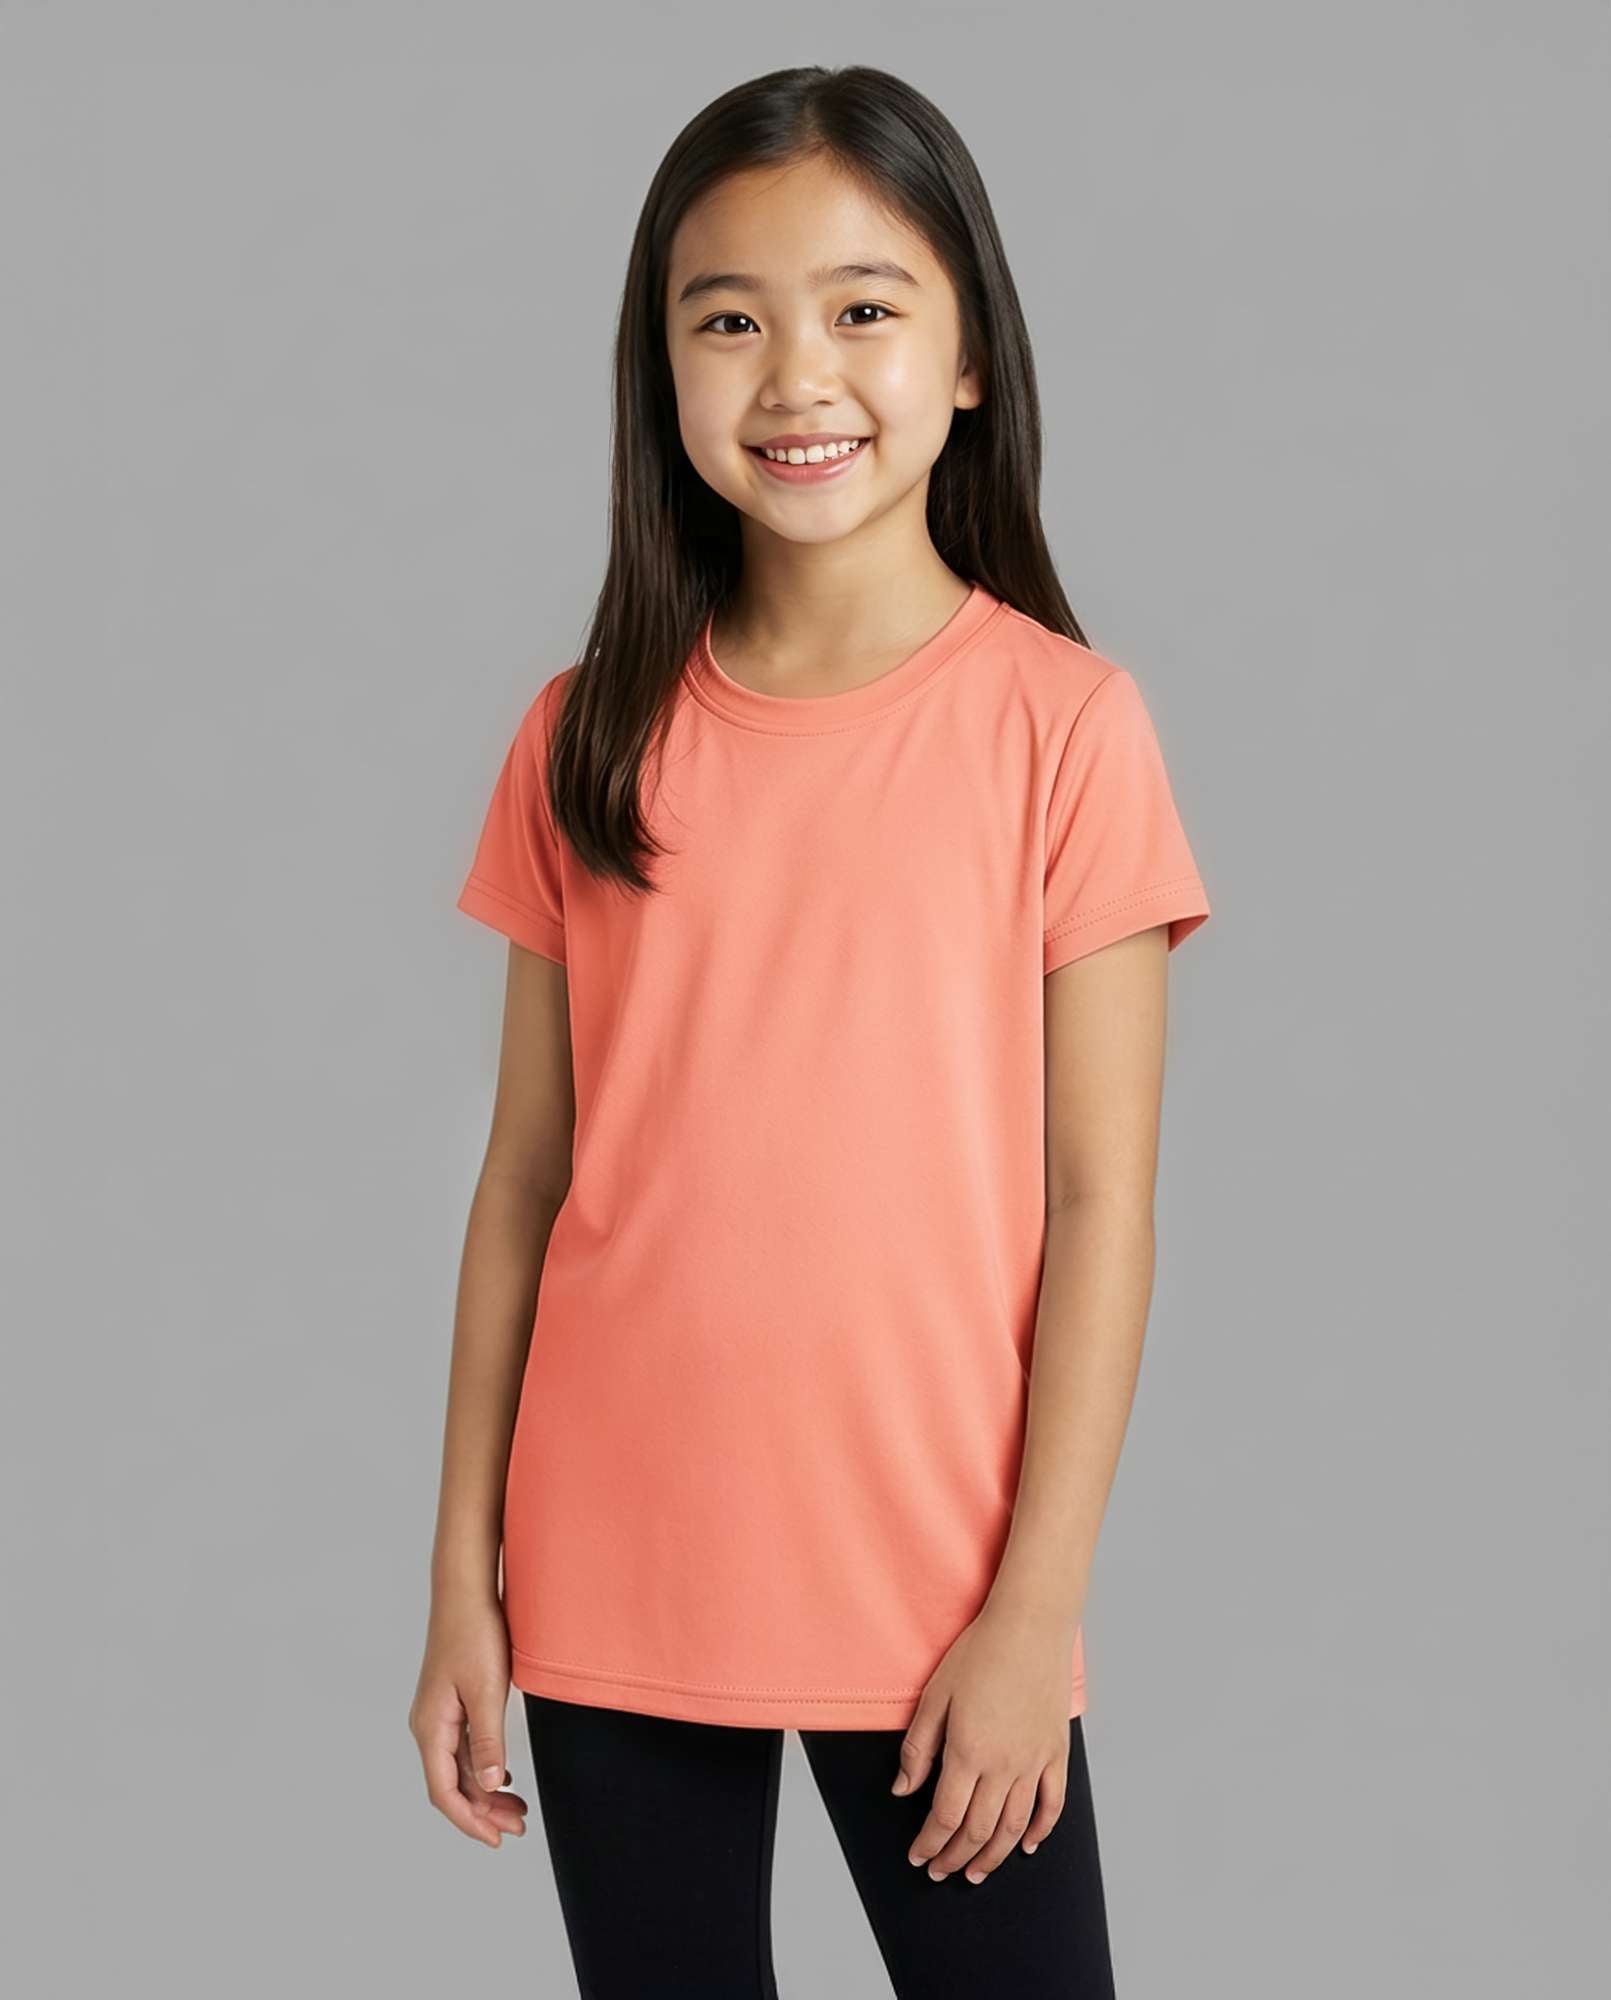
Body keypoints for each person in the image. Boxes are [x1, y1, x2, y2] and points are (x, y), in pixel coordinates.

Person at [410, 62, 1211, 2000]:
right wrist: (461, 1580)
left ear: (968, 358)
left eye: (862, 307)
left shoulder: (1063, 729)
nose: (796, 375)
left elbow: (1100, 1205)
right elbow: (525, 1183)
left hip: (939, 1597)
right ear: (660, 371)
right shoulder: (584, 733)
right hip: (614, 1572)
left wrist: (1033, 1612)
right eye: (727, 320)